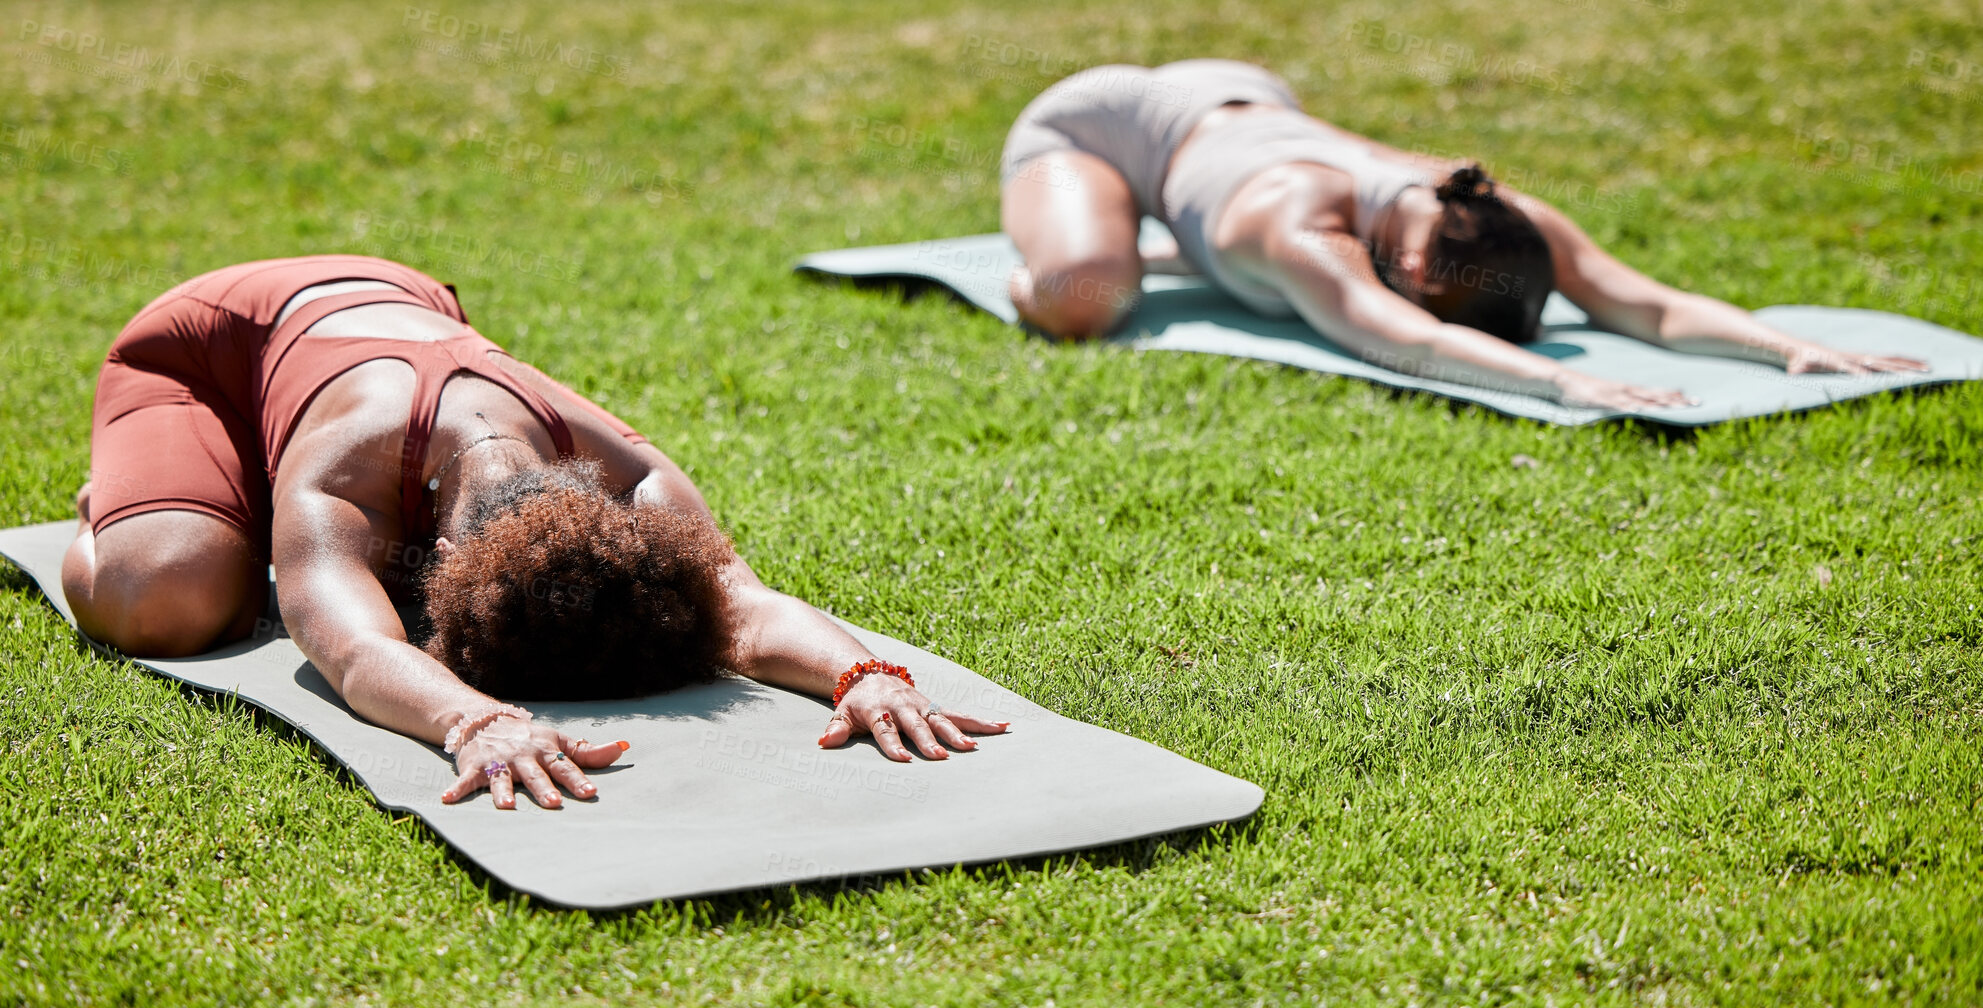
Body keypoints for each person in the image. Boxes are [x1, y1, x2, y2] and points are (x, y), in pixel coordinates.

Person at [63, 255, 1008, 810]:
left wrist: (866, 676)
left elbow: (740, 602)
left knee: (264, 574)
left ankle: (213, 488)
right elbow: (351, 651)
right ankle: (115, 503)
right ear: (434, 556)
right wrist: (470, 718)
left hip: (401, 292)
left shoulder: (627, 476)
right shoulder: (347, 469)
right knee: (172, 598)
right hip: (202, 343)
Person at [999, 59, 1925, 408]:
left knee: (1129, 268)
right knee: (1092, 294)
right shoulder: (1301, 230)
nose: (1407, 286)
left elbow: (1639, 299)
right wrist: (1565, 379)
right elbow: (1407, 342)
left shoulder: (1485, 207)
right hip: (1098, 124)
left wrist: (1787, 346)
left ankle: (1168, 239)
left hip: (1240, 98)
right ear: (1405, 263)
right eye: (1417, 280)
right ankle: (1050, 256)